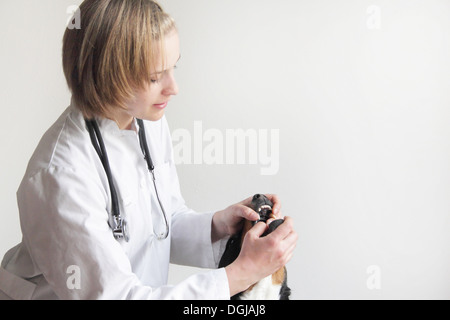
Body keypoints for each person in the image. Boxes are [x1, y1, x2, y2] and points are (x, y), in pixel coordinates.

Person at [0, 0, 297, 300]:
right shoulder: (61, 176)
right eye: (155, 77)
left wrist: (220, 227)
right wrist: (241, 273)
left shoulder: (145, 119)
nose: (173, 87)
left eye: (173, 67)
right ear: (108, 76)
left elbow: (159, 225)